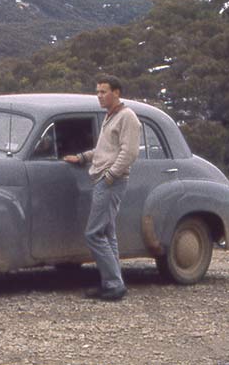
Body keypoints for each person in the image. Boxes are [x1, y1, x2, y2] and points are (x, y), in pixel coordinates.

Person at [64, 75, 140, 301]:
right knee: (107, 232)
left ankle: (114, 284)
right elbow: (103, 149)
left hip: (110, 182)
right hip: (102, 178)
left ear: (116, 92)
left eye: (104, 91)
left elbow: (129, 153)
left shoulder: (127, 117)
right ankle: (113, 282)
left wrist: (110, 176)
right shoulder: (111, 117)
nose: (99, 96)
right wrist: (81, 157)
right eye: (97, 92)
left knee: (93, 233)